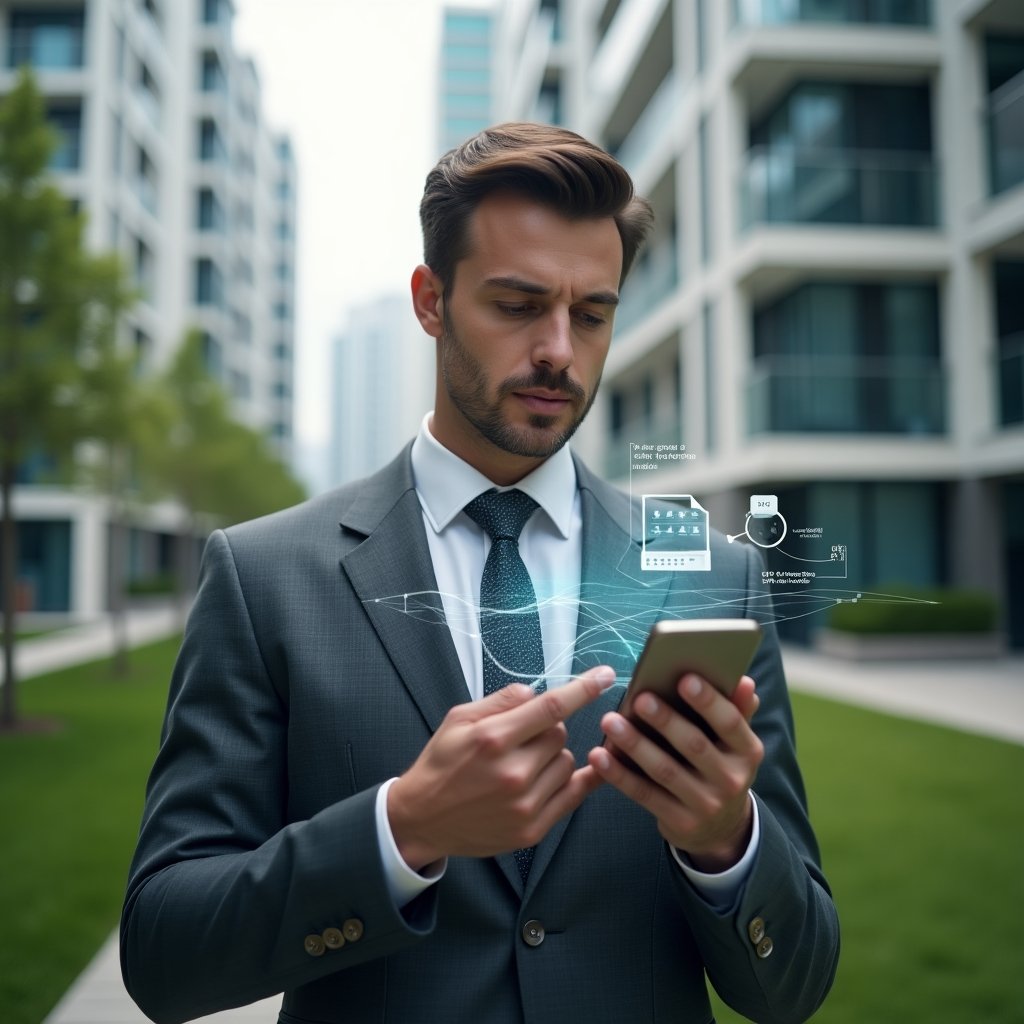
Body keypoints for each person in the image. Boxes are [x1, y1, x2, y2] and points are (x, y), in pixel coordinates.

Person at [121, 123, 839, 1024]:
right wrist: (403, 830)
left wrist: (724, 842)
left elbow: (797, 985)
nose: (559, 353)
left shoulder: (717, 579)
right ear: (430, 300)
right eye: (517, 304)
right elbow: (163, 953)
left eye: (591, 314)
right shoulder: (263, 576)